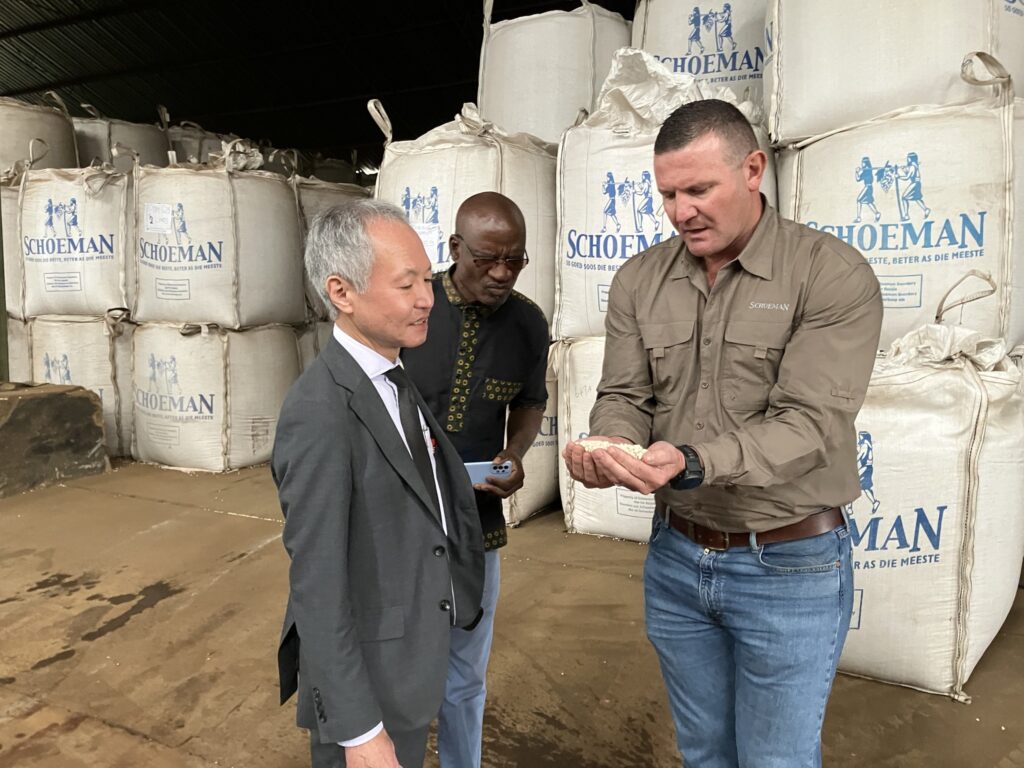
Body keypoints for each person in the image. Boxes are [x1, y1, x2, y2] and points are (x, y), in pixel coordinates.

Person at [563, 99, 883, 767]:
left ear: (753, 170)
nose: (682, 211)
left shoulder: (829, 274)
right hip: (678, 559)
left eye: (700, 189)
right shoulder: (640, 280)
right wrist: (609, 447)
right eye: (669, 194)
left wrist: (690, 460)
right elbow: (624, 395)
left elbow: (811, 423)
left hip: (787, 564)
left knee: (776, 760)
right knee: (705, 753)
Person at [272, 199, 485, 768]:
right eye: (406, 284)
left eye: (428, 280)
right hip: (371, 689)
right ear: (342, 293)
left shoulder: (390, 375)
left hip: (409, 659)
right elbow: (316, 583)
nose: (427, 299)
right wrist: (360, 730)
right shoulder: (320, 411)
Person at [402, 191, 549, 768]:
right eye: (487, 259)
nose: (502, 273)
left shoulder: (528, 324)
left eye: (515, 260)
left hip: (477, 526)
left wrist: (513, 453)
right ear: (455, 248)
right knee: (399, 662)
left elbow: (531, 403)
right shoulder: (412, 307)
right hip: (400, 521)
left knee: (465, 673)